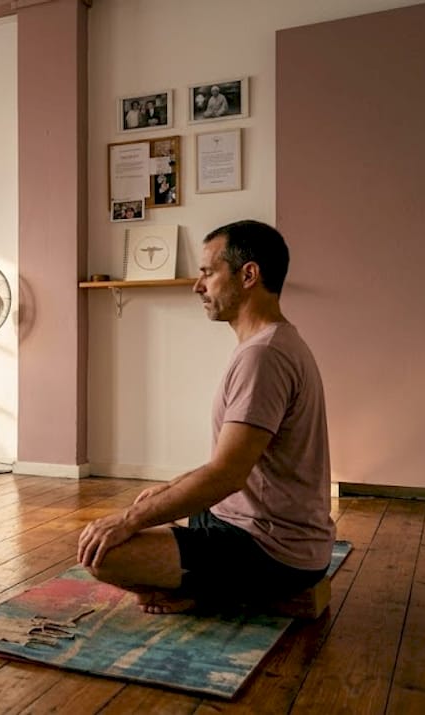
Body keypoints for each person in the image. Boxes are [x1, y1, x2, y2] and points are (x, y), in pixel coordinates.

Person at [77, 220, 334, 614]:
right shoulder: (269, 343)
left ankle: (211, 594)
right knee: (154, 503)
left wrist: (129, 520)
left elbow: (227, 475)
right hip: (239, 522)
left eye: (208, 273)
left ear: (248, 275)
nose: (198, 286)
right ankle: (195, 584)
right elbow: (234, 465)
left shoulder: (264, 356)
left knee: (102, 555)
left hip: (273, 549)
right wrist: (168, 489)